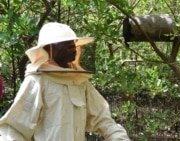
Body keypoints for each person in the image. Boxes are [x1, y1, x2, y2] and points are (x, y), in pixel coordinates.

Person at [0, 22, 130, 141]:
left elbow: (103, 119)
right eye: (66, 44)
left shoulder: (79, 81)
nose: (73, 47)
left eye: (73, 43)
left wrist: (119, 138)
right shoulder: (36, 82)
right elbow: (14, 129)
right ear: (50, 49)